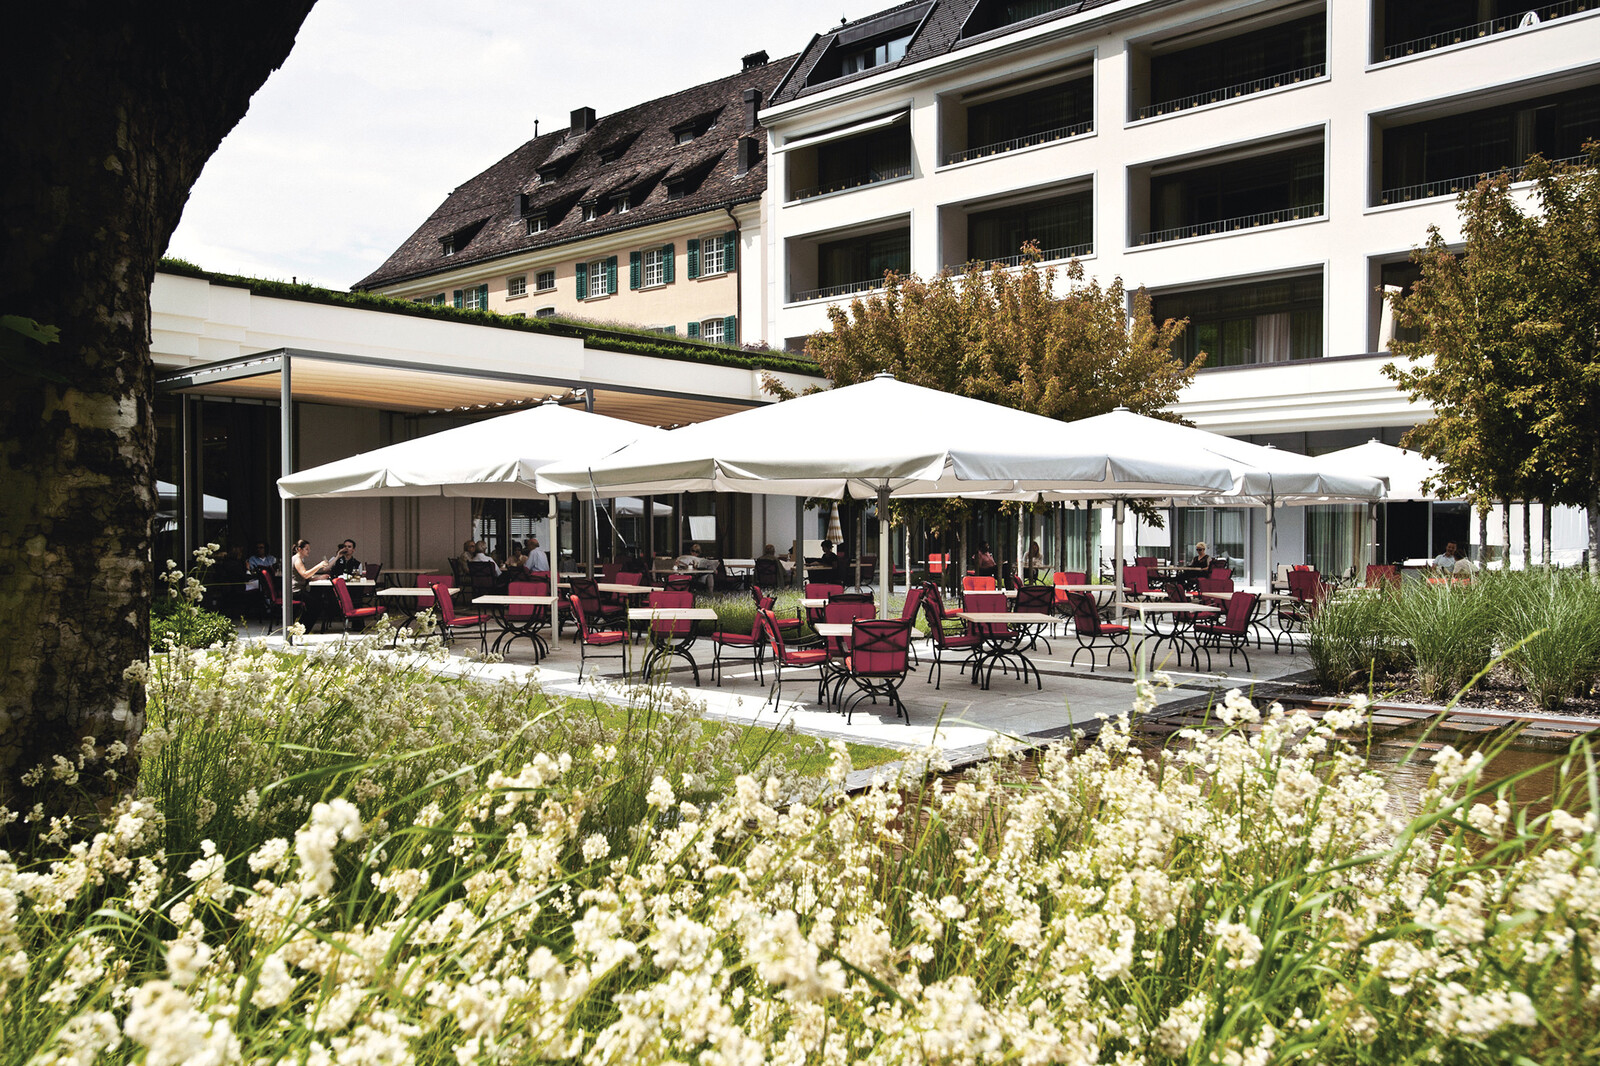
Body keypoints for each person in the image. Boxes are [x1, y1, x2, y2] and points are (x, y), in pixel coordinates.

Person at [290, 539, 330, 627]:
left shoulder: (298, 559)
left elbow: (305, 576)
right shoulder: (297, 560)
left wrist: (319, 578)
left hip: (299, 590)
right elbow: (305, 574)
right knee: (317, 606)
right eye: (307, 549)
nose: (309, 551)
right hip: (296, 591)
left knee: (315, 604)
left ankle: (300, 627)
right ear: (299, 549)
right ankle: (302, 628)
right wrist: (319, 566)